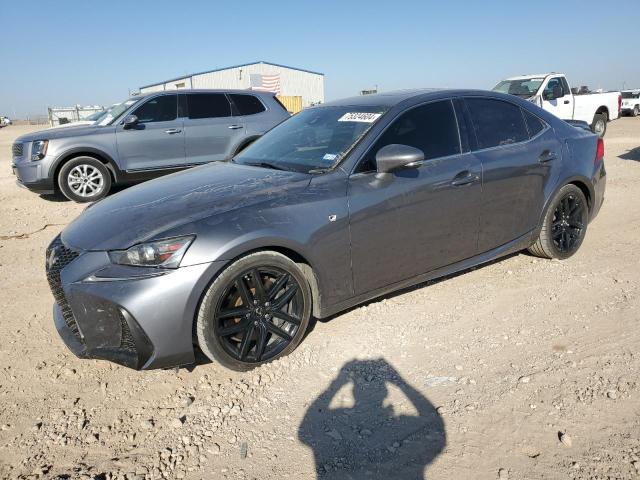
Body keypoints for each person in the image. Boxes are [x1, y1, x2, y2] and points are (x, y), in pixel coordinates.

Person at [299, 359, 445, 479]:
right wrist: (401, 383)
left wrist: (337, 383)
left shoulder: (338, 415)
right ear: (386, 396)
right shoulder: (403, 423)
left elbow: (305, 429)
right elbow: (436, 424)